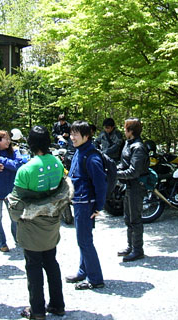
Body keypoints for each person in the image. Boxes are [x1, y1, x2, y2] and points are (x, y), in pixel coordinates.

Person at [8, 126, 70, 320]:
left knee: (33, 266)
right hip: (52, 224)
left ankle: (37, 311)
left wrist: (16, 218)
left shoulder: (25, 170)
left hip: (31, 228)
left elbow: (15, 205)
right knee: (51, 262)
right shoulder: (58, 163)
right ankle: (58, 305)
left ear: (31, 143)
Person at [66, 121, 107, 290]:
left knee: (85, 241)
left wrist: (98, 206)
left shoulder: (92, 156)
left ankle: (95, 279)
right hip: (79, 201)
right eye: (71, 133)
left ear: (86, 136)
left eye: (76, 134)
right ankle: (83, 271)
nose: (72, 137)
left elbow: (101, 184)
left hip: (85, 203)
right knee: (83, 239)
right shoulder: (79, 151)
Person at [116, 118, 149, 262]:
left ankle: (138, 250)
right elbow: (124, 164)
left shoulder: (138, 147)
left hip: (137, 185)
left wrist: (114, 174)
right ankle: (131, 246)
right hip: (128, 185)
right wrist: (114, 169)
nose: (124, 130)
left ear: (131, 131)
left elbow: (134, 171)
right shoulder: (128, 144)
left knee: (135, 218)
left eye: (125, 128)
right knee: (127, 217)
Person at [0, 130, 23, 252]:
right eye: (6, 139)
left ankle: (18, 239)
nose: (8, 141)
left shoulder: (14, 151)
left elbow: (17, 165)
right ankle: (1, 243)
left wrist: (2, 160)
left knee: (14, 216)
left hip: (11, 190)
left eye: (9, 138)